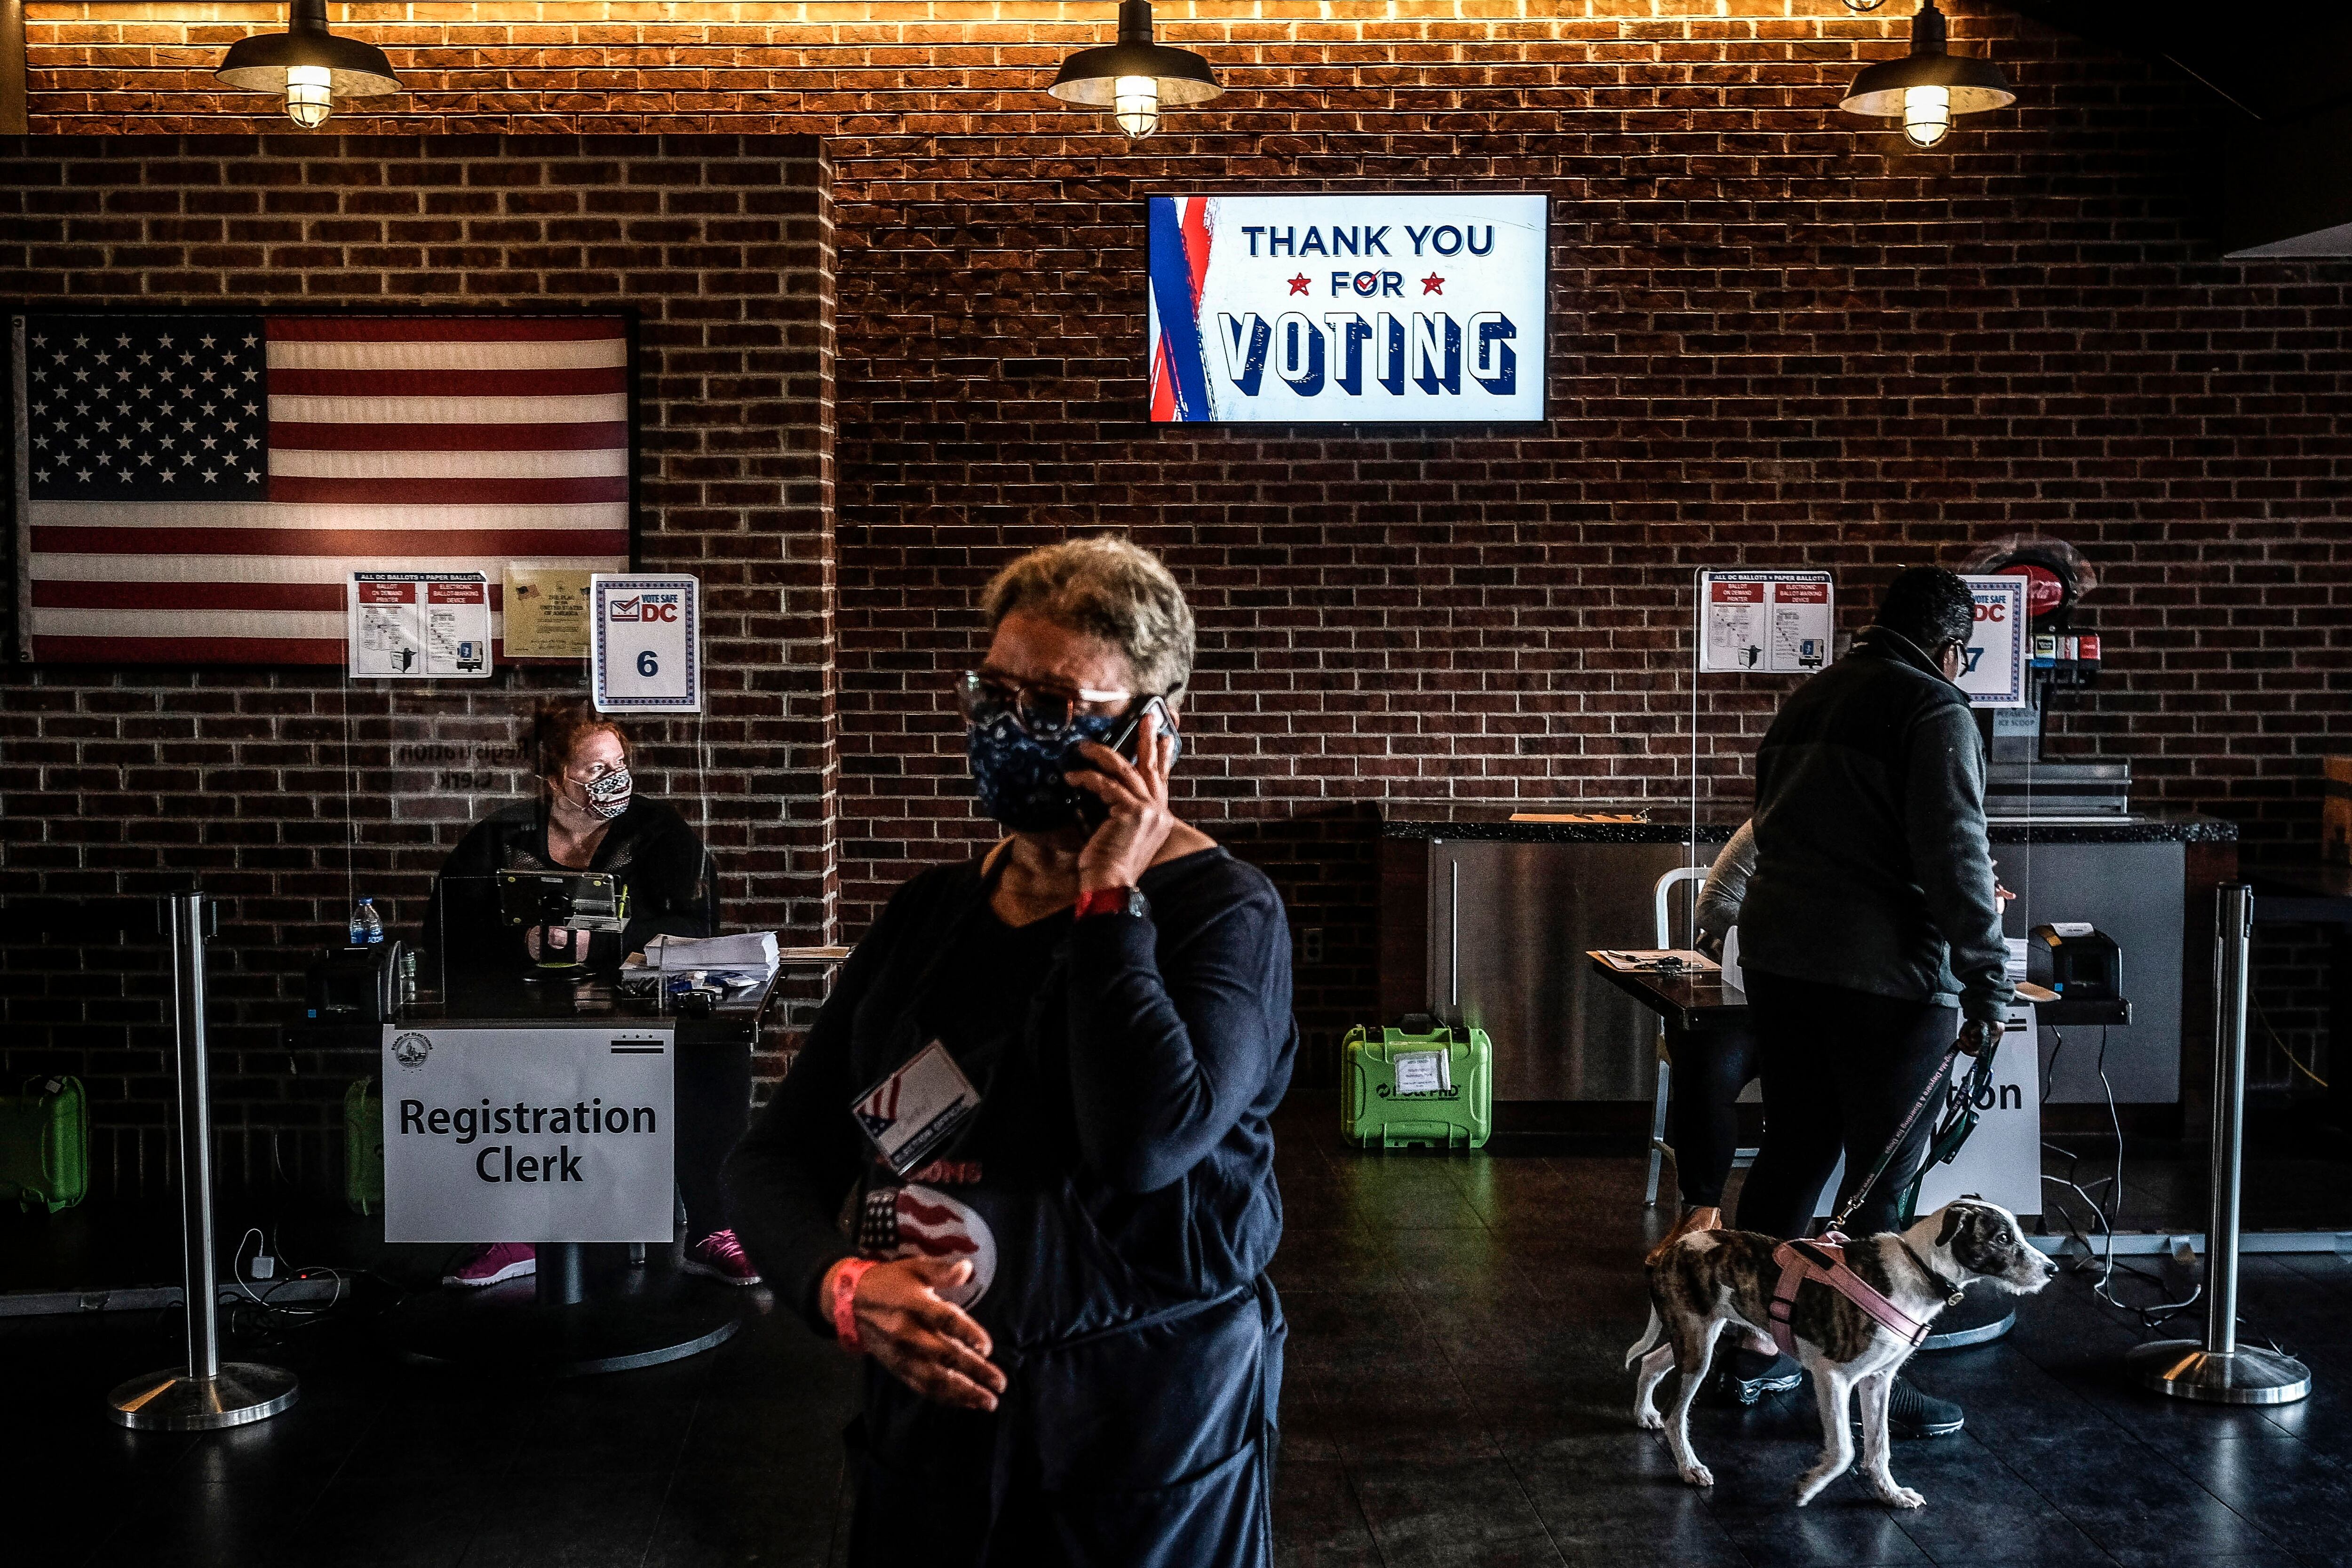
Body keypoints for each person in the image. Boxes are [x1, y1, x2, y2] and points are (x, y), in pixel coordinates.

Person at [727, 537, 1295, 1567]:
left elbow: (1147, 1139)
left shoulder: (1222, 914)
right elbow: (774, 1157)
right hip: (936, 1440)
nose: (1010, 725)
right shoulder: (930, 915)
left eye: (1056, 700)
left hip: (1140, 1440)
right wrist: (842, 1287)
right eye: (995, 690)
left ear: (1150, 728)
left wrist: (1110, 897)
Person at [1731, 566, 2014, 1440]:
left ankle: (1747, 1350)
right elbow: (1956, 854)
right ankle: (1868, 1374)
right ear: (1953, 648)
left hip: (1779, 958)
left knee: (1792, 1151)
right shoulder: (1935, 709)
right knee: (1884, 1184)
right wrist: (1988, 975)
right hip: (1883, 976)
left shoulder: (1806, 699)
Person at [421, 698, 759, 1289]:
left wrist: (597, 947)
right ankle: (515, 1232)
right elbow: (445, 929)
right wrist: (521, 945)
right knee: (484, 1052)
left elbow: (696, 926)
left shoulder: (656, 831)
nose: (614, 778)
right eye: (593, 768)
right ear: (552, 777)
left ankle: (712, 1228)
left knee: (714, 1051)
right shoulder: (503, 835)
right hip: (532, 1011)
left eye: (619, 763)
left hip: (636, 1005)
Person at [1644, 820, 1796, 1404]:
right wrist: (1782, 939)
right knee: (1706, 1062)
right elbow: (1713, 908)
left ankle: (1785, 1267)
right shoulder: (1766, 827)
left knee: (1805, 1097)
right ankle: (1701, 1208)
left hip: (1811, 1000)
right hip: (1740, 987)